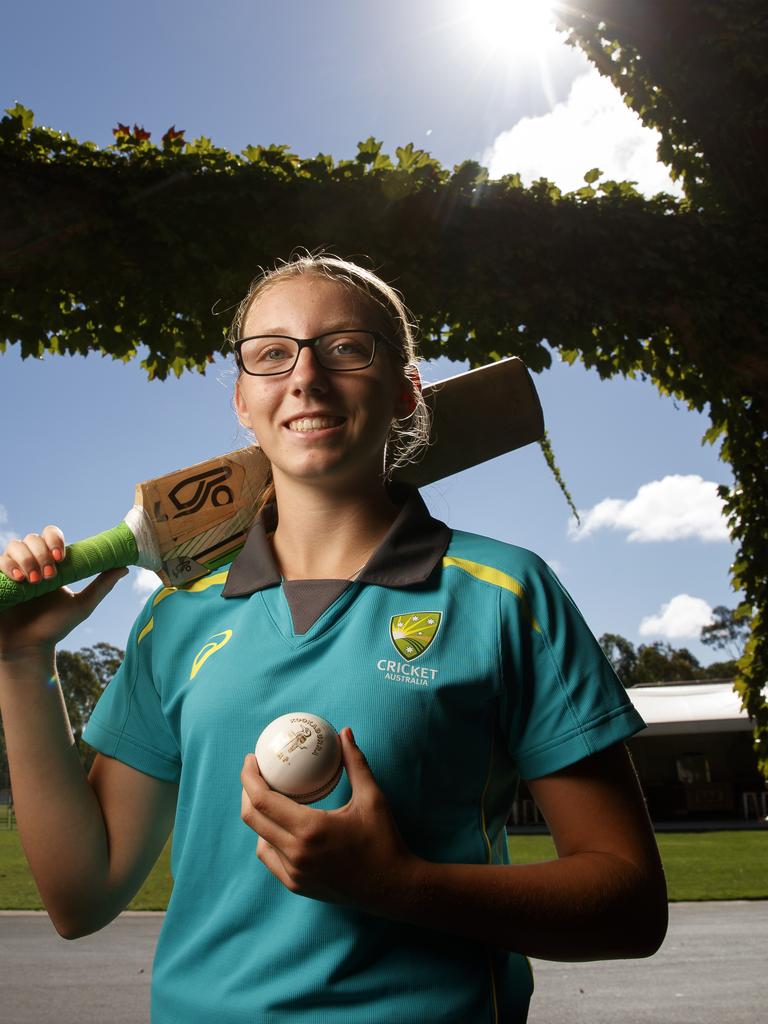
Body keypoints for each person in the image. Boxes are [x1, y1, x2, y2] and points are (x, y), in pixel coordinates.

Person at [0, 253, 667, 1023]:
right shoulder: (176, 617)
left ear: (407, 391)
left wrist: (400, 884)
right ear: (243, 403)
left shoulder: (506, 594)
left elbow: (629, 903)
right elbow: (80, 898)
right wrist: (20, 662)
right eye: (271, 353)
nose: (305, 378)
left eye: (346, 347)